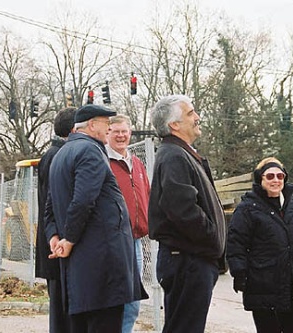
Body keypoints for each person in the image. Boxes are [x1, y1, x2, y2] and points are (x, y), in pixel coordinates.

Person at [46, 104, 147, 333]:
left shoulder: (60, 154)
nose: (108, 128)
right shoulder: (91, 151)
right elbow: (83, 200)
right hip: (102, 267)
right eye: (105, 123)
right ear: (92, 125)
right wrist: (69, 240)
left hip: (81, 270)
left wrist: (54, 235)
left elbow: (50, 205)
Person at [148, 94, 226, 333]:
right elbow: (182, 210)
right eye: (191, 113)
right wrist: (213, 239)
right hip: (188, 261)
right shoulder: (174, 156)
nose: (197, 117)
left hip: (191, 260)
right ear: (174, 125)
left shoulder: (182, 154)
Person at [226, 157, 293, 333]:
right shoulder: (248, 208)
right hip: (263, 287)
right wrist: (239, 273)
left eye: (280, 176)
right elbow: (236, 244)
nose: (276, 180)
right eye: (270, 176)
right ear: (260, 179)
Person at [106, 114, 150, 333]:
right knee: (115, 299)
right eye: (116, 132)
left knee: (134, 300)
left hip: (136, 241)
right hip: (113, 241)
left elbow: (146, 196)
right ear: (107, 134)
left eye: (124, 131)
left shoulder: (136, 163)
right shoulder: (103, 162)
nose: (121, 136)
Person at [36, 107, 76, 333]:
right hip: (57, 243)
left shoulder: (52, 154)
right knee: (62, 313)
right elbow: (57, 204)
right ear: (73, 130)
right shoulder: (59, 156)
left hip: (55, 241)